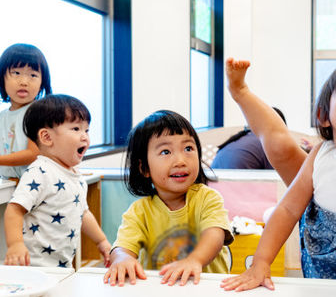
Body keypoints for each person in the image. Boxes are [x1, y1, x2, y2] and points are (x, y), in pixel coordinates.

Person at [221, 55, 336, 291]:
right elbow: (287, 209)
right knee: (279, 145)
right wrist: (260, 263)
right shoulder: (320, 154)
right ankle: (240, 90)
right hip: (322, 261)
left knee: (282, 147)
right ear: (323, 116)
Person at [103, 110, 234, 287]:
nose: (180, 160)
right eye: (166, 152)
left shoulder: (206, 198)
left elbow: (215, 235)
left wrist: (194, 260)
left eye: (188, 148)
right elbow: (122, 246)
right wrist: (122, 259)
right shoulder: (140, 210)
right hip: (163, 288)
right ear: (144, 168)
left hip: (206, 287)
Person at [4, 94, 111, 268]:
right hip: (35, 266)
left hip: (62, 266)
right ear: (46, 137)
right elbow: (14, 209)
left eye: (86, 130)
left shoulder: (76, 176)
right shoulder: (40, 171)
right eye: (76, 129)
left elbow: (83, 213)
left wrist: (101, 241)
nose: (85, 136)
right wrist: (15, 244)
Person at [0, 43, 52, 179]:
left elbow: (34, 153)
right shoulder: (2, 116)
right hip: (10, 185)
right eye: (16, 73)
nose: (24, 81)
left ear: (42, 82)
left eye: (33, 75)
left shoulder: (38, 112)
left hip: (36, 188)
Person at [211, 107, 286, 169]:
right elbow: (279, 176)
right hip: (236, 184)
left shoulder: (243, 138)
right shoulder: (266, 143)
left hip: (213, 184)